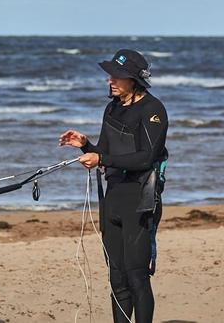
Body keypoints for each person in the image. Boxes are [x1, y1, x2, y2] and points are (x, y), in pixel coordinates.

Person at [59, 49, 168, 323]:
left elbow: (147, 157)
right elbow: (106, 153)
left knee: (136, 276)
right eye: (111, 75)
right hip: (113, 200)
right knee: (116, 277)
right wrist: (85, 145)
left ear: (134, 79)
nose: (111, 80)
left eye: (118, 76)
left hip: (140, 202)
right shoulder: (112, 108)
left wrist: (102, 157)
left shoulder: (153, 110)